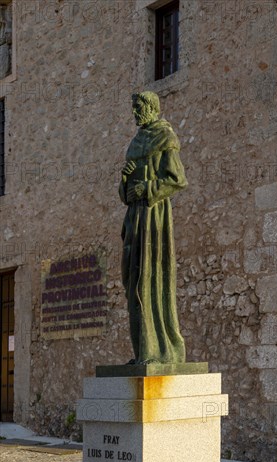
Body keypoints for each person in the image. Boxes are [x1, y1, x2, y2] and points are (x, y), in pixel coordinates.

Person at [119, 91, 187, 365]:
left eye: (138, 107)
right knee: (132, 280)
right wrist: (125, 183)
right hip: (134, 217)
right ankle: (141, 353)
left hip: (153, 216)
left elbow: (177, 179)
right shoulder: (136, 141)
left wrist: (146, 188)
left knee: (150, 279)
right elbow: (125, 194)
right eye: (133, 108)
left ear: (150, 108)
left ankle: (159, 351)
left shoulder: (165, 137)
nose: (135, 112)